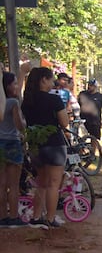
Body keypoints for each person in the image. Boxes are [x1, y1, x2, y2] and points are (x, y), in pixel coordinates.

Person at [21, 67, 69, 229]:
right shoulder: (54, 100)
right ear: (43, 79)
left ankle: (36, 217)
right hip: (54, 144)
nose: (52, 83)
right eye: (50, 79)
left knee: (41, 182)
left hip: (35, 144)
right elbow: (64, 123)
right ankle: (50, 218)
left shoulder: (27, 101)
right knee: (53, 184)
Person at [1, 72, 28, 227]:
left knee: (1, 184)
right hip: (12, 142)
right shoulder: (12, 103)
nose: (16, 87)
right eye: (15, 84)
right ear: (8, 85)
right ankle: (13, 216)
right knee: (13, 184)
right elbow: (19, 125)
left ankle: (2, 216)